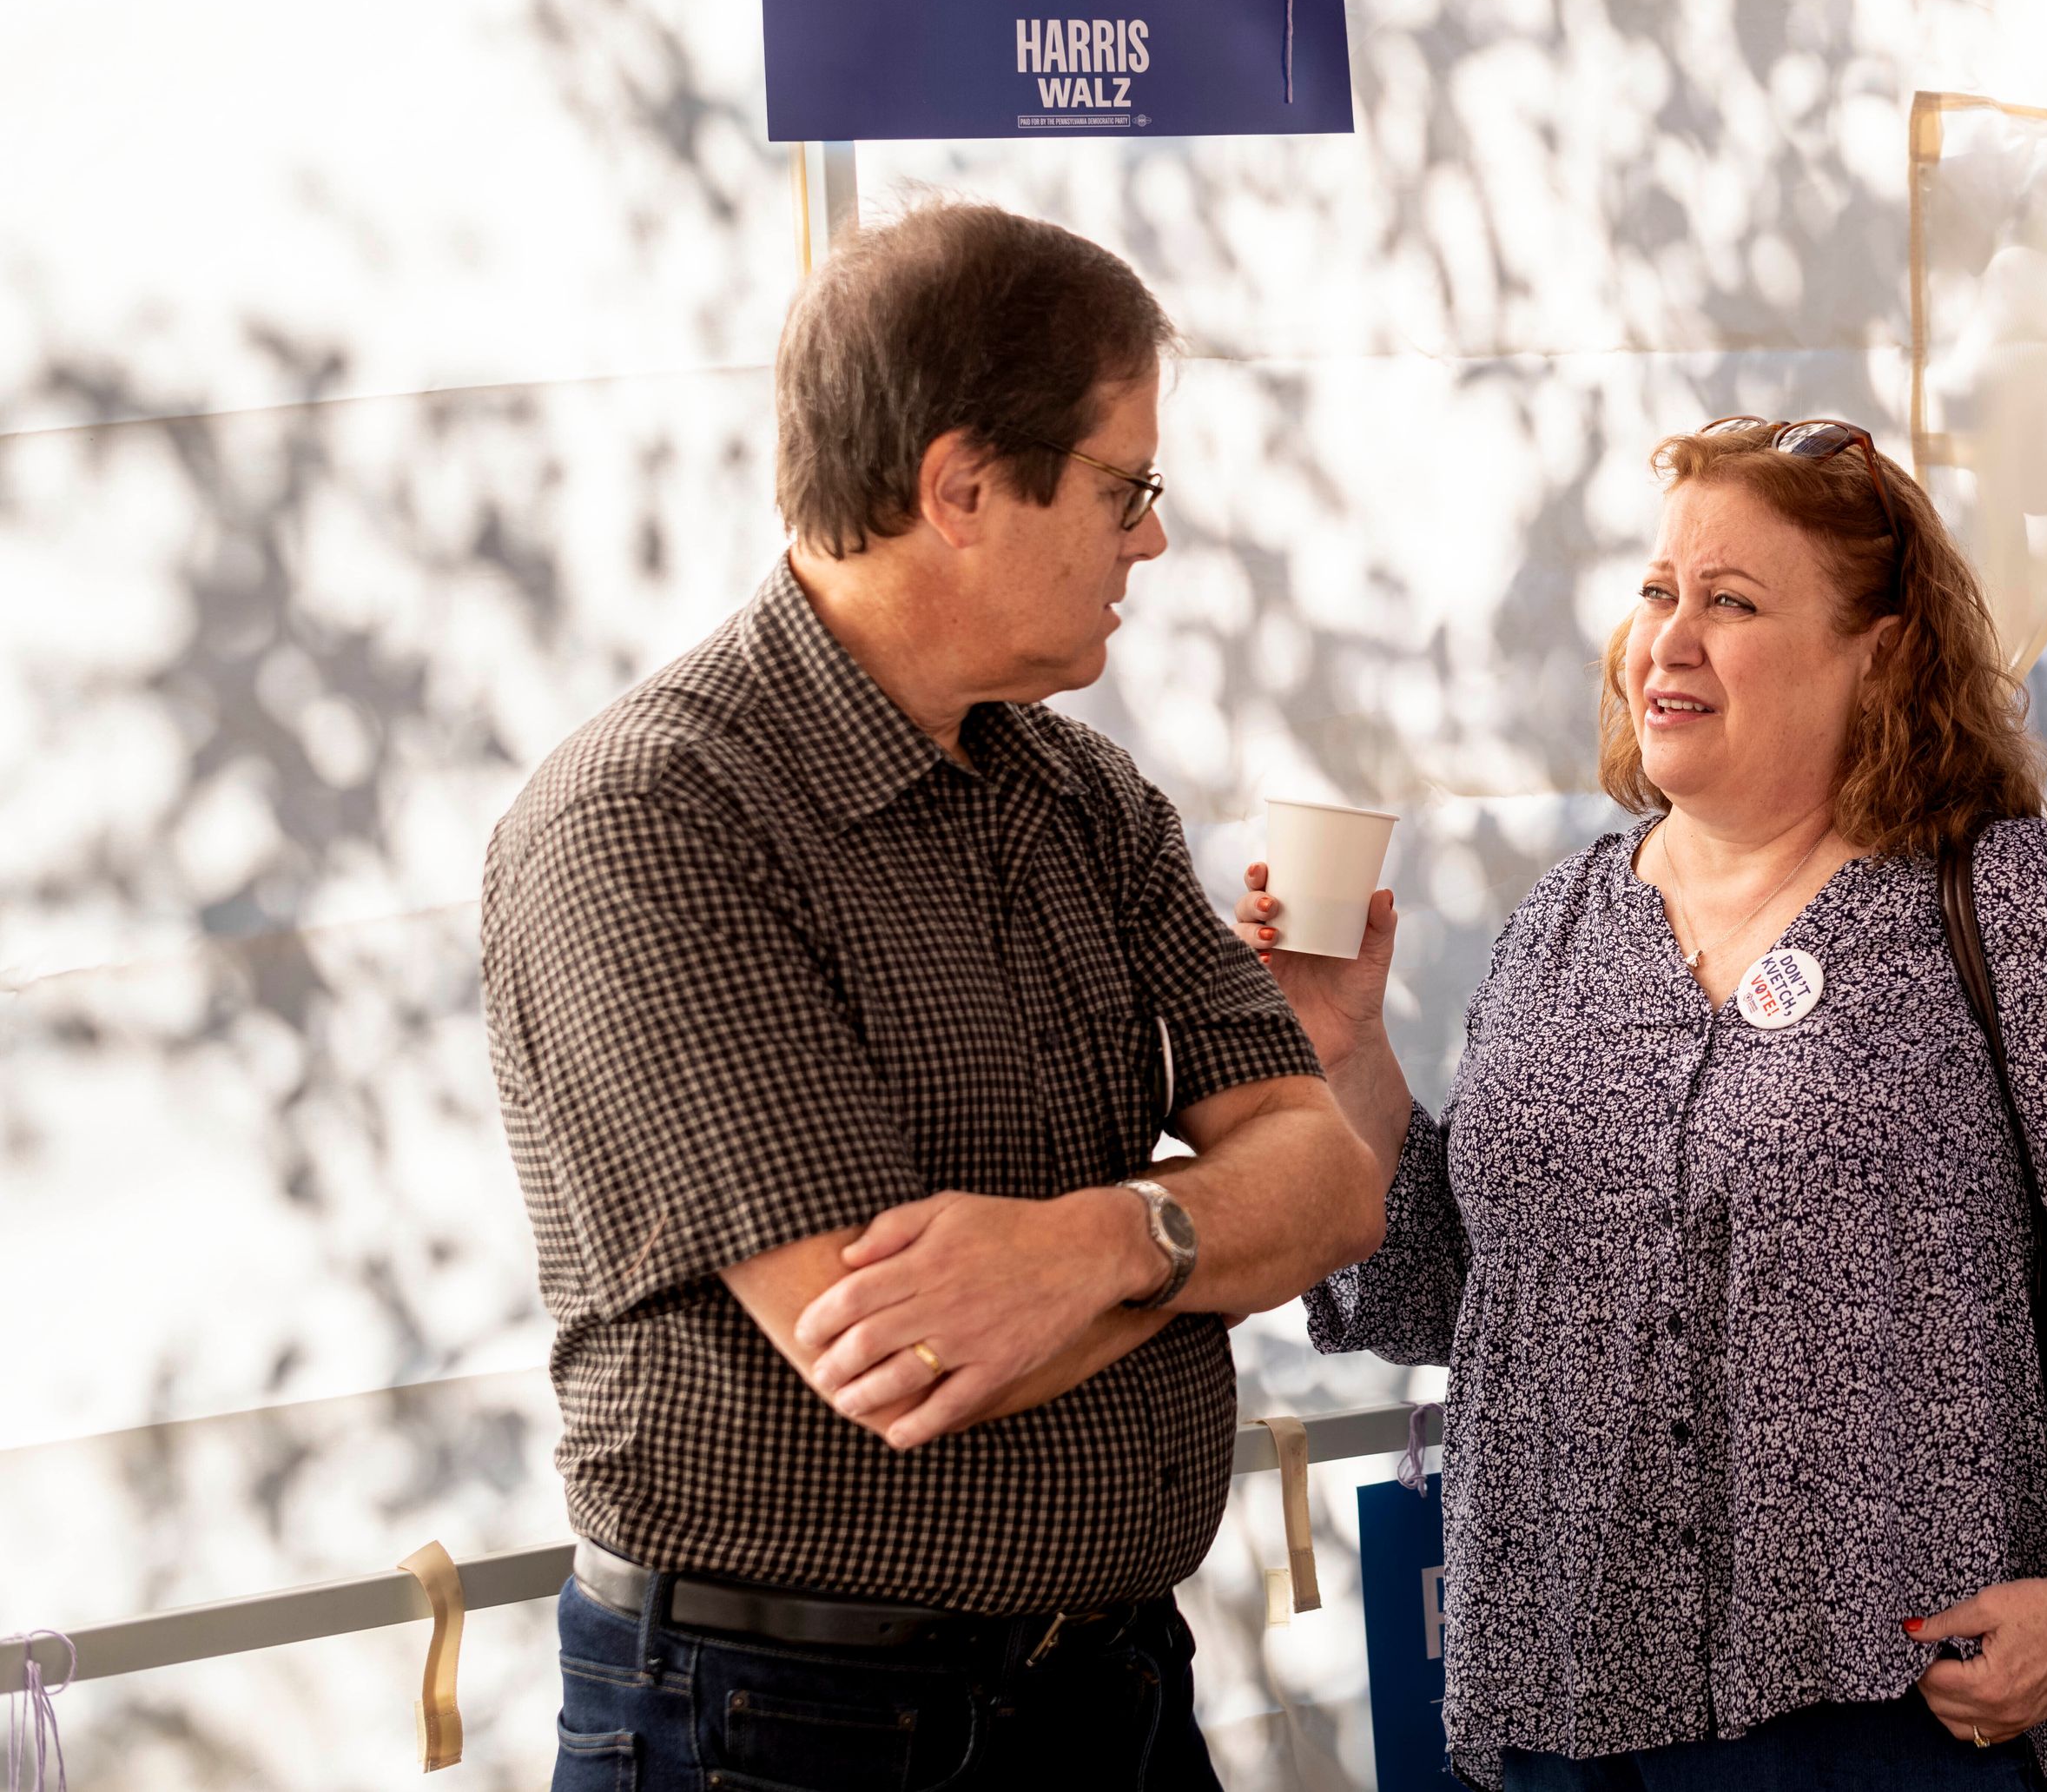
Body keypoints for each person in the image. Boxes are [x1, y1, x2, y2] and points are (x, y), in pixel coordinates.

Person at [1239, 417, 2047, 1789]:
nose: (1670, 639)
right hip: (1556, 1704)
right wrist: (1344, 1051)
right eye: (1658, 592)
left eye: (1730, 602)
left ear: (1882, 649)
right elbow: (1466, 1288)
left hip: (1893, 1713)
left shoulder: (2010, 903)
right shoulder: (1564, 922)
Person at [479, 200, 1382, 1791]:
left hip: (1109, 1686)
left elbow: (1329, 1185)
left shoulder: (1089, 798)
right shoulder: (651, 818)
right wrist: (1207, 1226)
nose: (1151, 538)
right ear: (960, 486)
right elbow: (902, 1358)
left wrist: (1098, 1240)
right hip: (787, 1725)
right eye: (1126, 488)